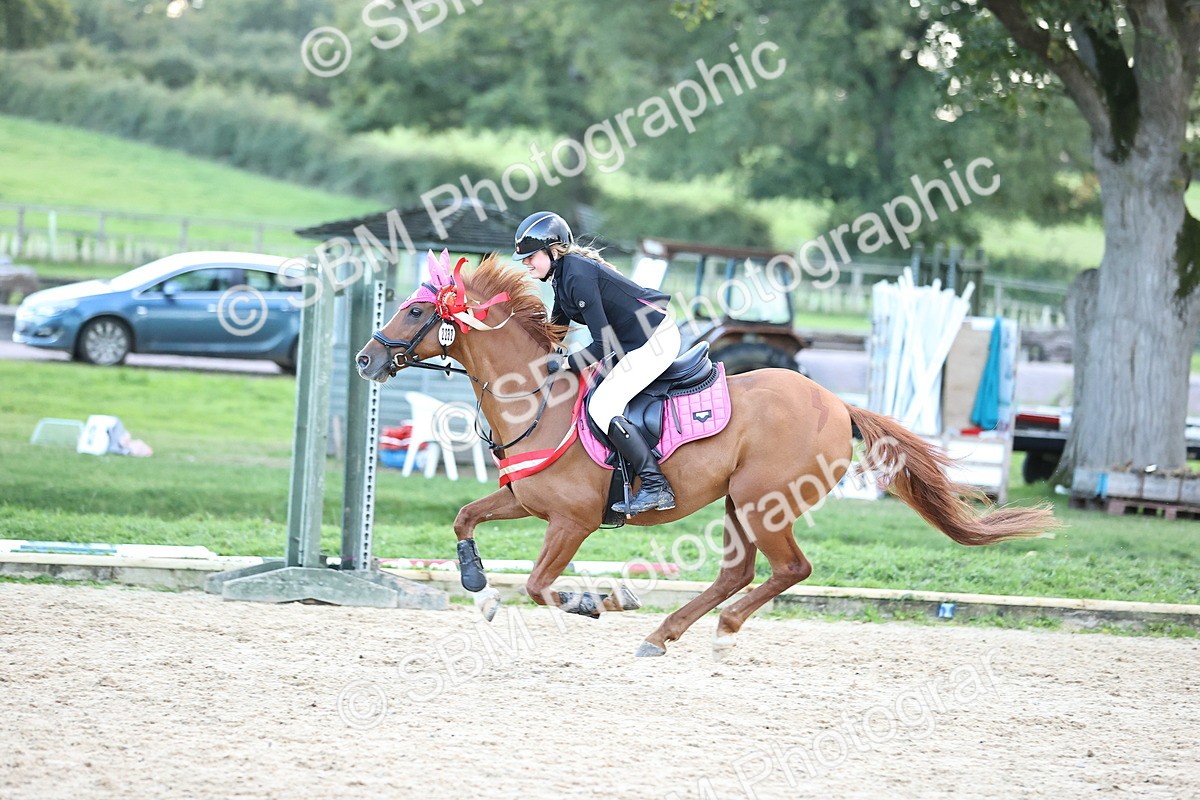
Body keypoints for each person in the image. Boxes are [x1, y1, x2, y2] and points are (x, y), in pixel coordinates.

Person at [513, 211, 682, 515]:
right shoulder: (561, 277)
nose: (525, 262)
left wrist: (566, 365)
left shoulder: (576, 275)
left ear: (553, 251)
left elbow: (603, 345)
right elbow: (557, 329)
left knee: (601, 407)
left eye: (530, 256)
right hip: (630, 342)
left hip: (653, 340)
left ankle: (656, 485)